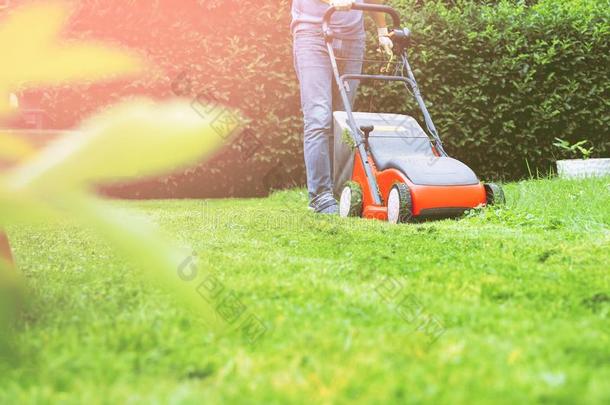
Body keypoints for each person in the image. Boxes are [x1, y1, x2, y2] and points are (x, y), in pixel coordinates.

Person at [292, 0, 392, 214]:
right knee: (319, 117)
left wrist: (382, 31)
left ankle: (340, 192)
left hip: (353, 38)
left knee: (341, 119)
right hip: (312, 33)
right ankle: (320, 196)